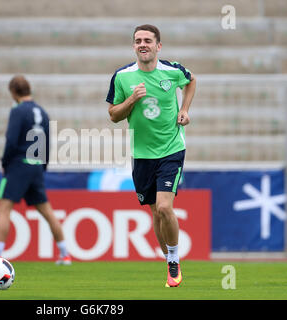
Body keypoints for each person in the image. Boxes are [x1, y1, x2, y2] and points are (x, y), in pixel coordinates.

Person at [106, 24, 196, 287]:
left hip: (171, 149)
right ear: (133, 46)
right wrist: (132, 100)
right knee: (156, 213)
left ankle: (174, 260)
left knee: (166, 207)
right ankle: (169, 258)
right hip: (142, 155)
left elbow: (191, 81)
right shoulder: (122, 77)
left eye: (147, 40)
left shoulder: (172, 70)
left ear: (158, 46)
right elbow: (113, 115)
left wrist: (185, 109)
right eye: (137, 41)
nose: (142, 44)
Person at [0, 75, 71, 265]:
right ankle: (65, 254)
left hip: (19, 164)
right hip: (36, 165)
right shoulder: (42, 112)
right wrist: (42, 166)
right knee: (47, 211)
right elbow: (47, 143)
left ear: (13, 93)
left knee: (4, 209)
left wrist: (5, 162)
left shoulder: (18, 111)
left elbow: (11, 140)